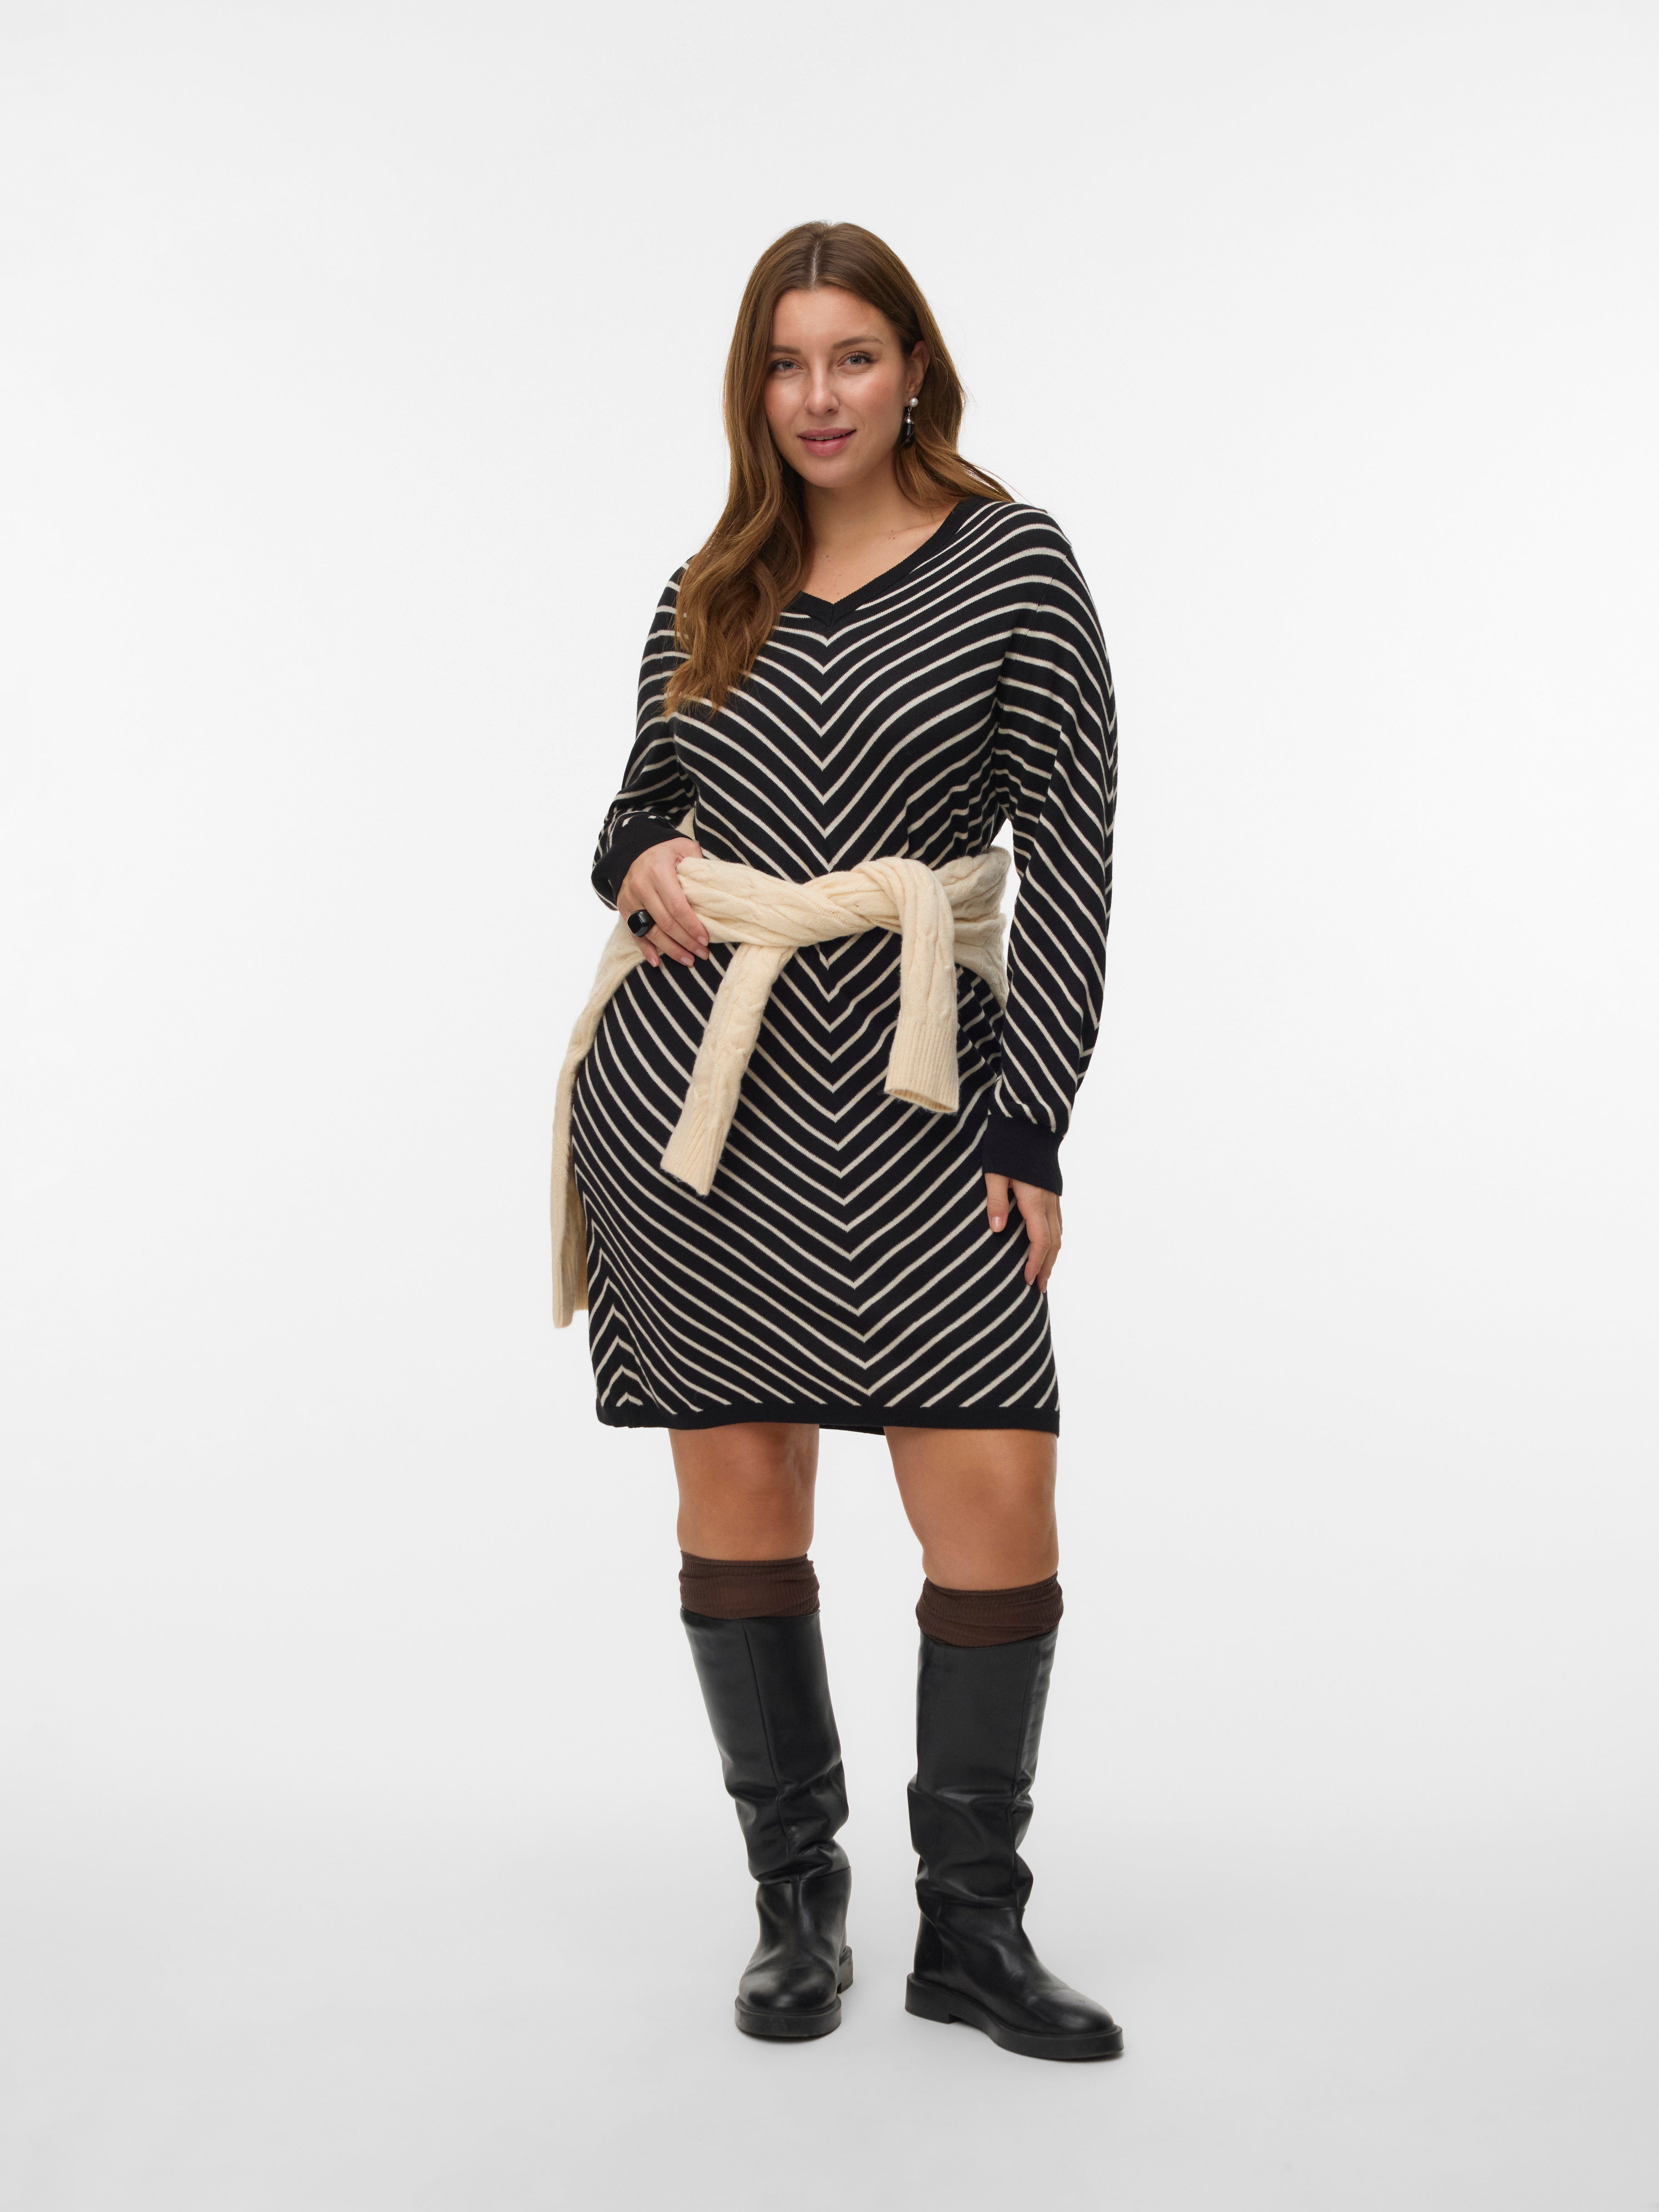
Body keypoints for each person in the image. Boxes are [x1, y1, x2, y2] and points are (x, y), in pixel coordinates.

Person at [551, 221, 1121, 2062]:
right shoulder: (707, 582)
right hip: (697, 1108)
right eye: (786, 364)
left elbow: (1074, 861)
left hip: (925, 1083)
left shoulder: (1013, 564)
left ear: (912, 368)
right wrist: (637, 856)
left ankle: (974, 1927)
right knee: (742, 1490)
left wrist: (1033, 1119)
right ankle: (795, 1902)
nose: (818, 396)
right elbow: (637, 812)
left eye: (852, 356)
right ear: (755, 386)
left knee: (995, 1489)